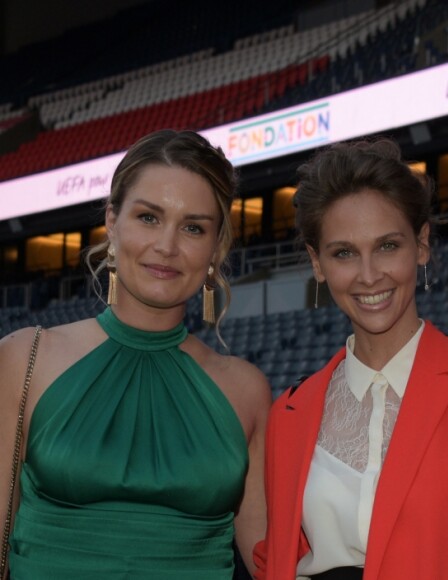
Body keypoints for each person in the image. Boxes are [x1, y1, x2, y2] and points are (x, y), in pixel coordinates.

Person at [253, 138, 448, 579]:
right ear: (317, 264)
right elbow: (276, 558)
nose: (369, 274)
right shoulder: (289, 413)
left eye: (388, 246)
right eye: (343, 253)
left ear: (422, 244)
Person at [0, 129, 271, 579]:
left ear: (215, 245)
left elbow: (272, 563)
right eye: (148, 217)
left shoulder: (246, 390)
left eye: (193, 227)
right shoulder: (23, 358)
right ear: (112, 220)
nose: (167, 245)